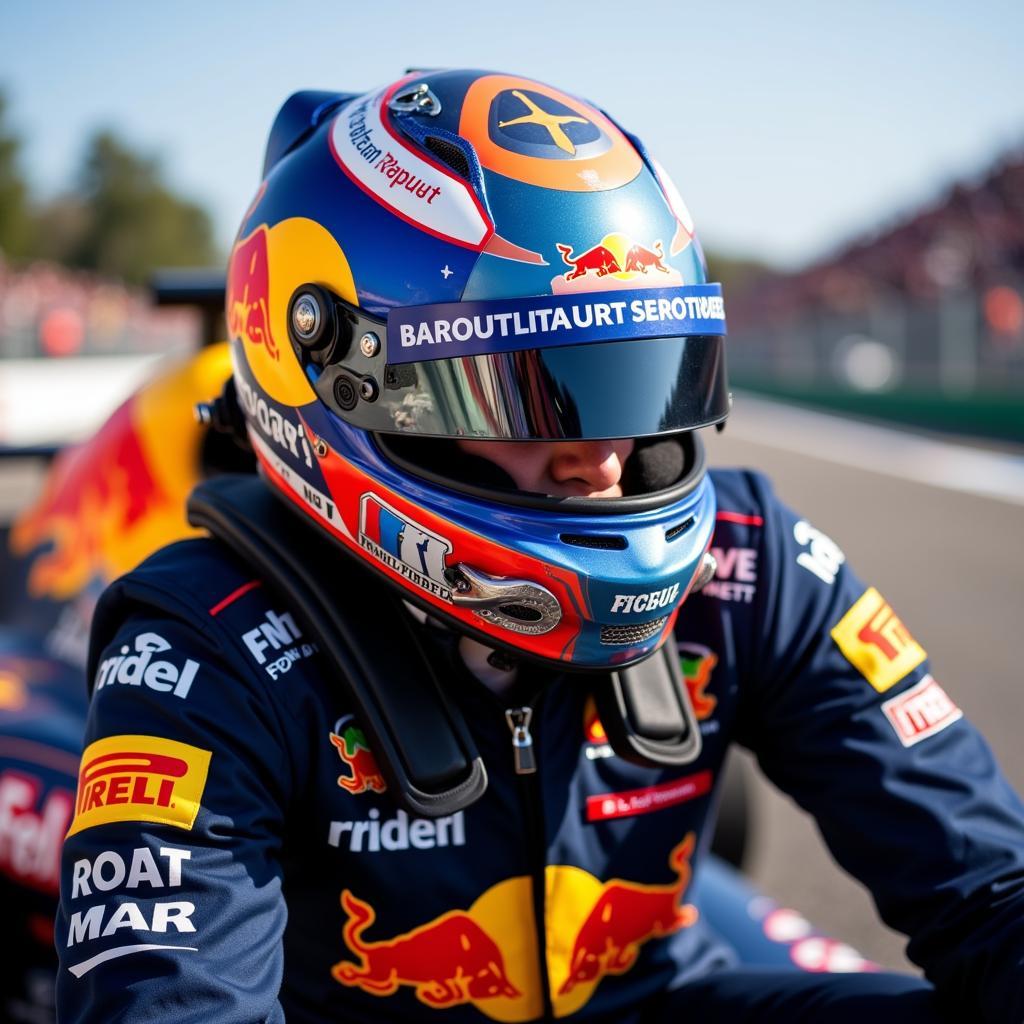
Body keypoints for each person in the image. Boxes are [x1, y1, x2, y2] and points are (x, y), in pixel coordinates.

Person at [56, 70, 1024, 1023]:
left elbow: (995, 891)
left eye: (636, 381)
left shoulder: (752, 565)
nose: (601, 459)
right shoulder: (199, 643)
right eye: (530, 391)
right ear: (333, 380)